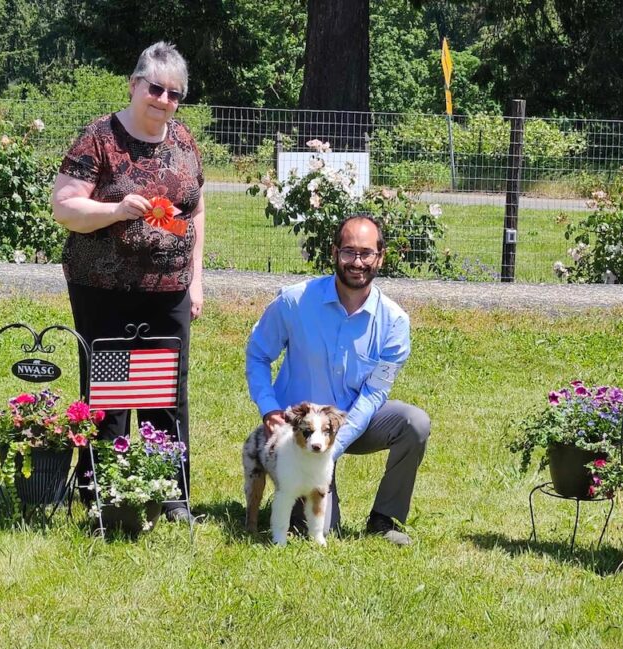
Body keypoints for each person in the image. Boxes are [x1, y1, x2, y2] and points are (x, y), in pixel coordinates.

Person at [51, 41, 203, 522]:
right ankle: (104, 491)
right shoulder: (99, 138)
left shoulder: (184, 142)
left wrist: (196, 280)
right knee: (110, 390)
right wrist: (116, 210)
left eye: (174, 93)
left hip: (169, 290)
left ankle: (170, 493)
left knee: (165, 391)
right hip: (104, 290)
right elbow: (65, 207)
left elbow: (196, 211)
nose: (163, 99)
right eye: (155, 88)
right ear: (135, 84)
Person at [245, 215, 431, 545]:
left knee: (413, 423)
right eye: (348, 252)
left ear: (380, 257)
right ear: (334, 252)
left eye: (366, 253)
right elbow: (258, 354)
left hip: (352, 423)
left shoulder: (394, 322)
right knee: (320, 530)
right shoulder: (294, 301)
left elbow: (375, 394)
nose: (357, 262)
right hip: (300, 433)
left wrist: (334, 446)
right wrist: (269, 408)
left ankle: (383, 518)